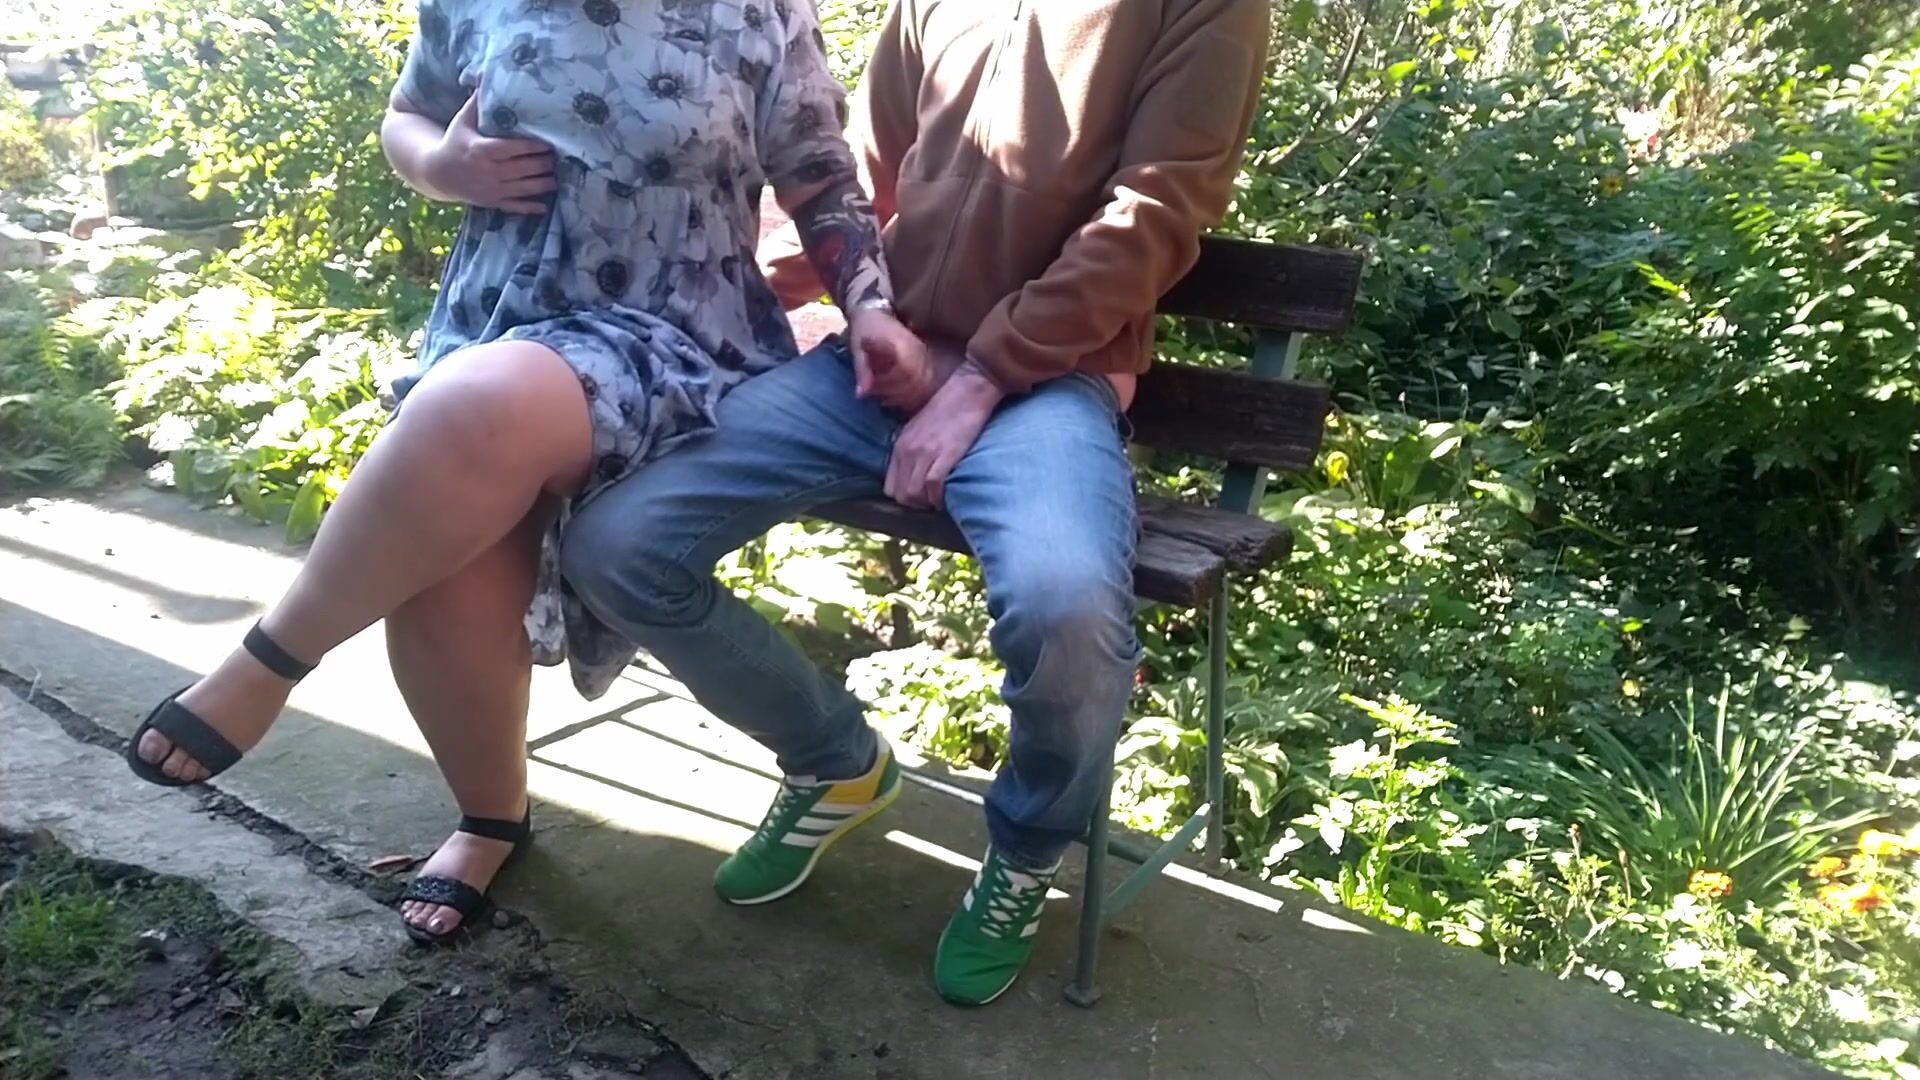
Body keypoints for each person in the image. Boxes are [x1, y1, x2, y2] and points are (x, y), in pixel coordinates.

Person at [123, 0, 928, 945]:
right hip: (496, 314)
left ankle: (268, 662)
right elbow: (408, 115)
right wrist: (440, 165)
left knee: (473, 405)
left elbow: (820, 174)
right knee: (444, 572)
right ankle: (491, 816)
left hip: (674, 335)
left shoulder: (758, 10)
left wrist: (869, 308)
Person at [561, 0, 1271, 1005]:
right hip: (880, 361)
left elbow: (1155, 212)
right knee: (614, 545)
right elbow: (857, 176)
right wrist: (790, 295)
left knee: (1068, 609)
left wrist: (981, 377)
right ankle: (834, 761)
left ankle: (1026, 851)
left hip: (1044, 388)